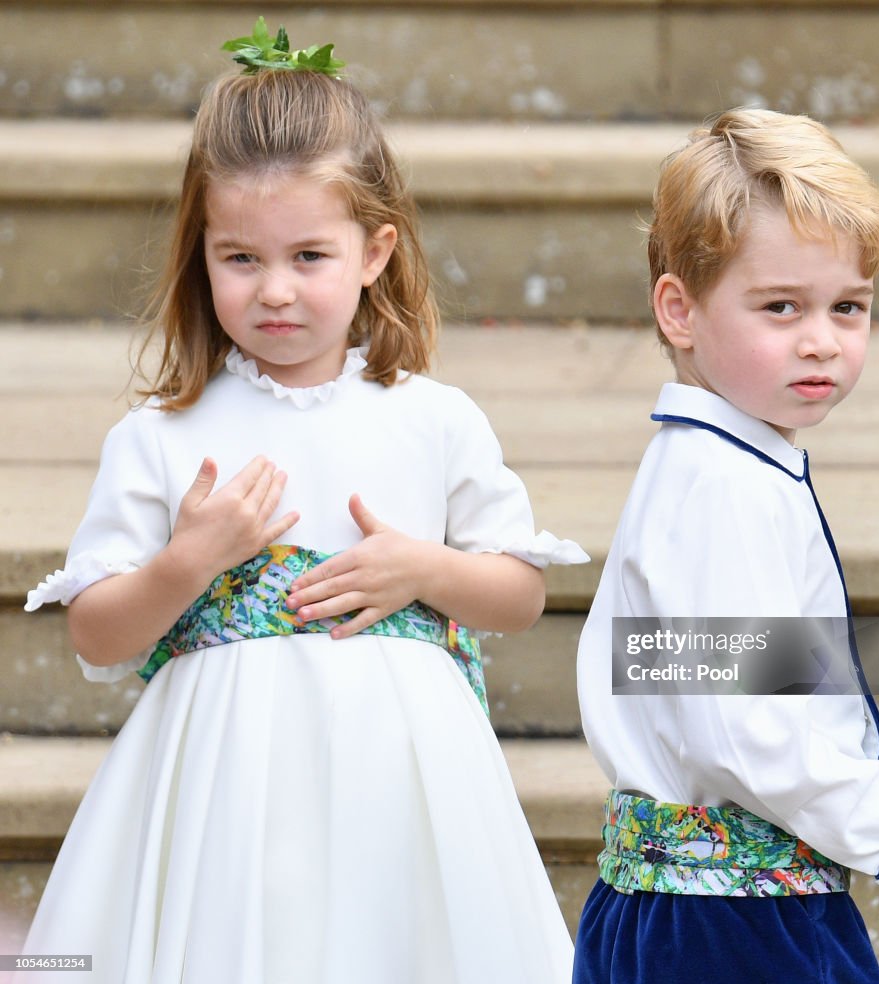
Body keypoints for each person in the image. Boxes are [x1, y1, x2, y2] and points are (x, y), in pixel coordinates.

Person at [22, 20, 585, 983]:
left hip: (401, 795)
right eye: (240, 258)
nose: (274, 291)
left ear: (374, 251)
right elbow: (97, 636)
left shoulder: (433, 419)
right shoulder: (162, 438)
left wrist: (427, 570)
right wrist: (188, 561)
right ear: (201, 255)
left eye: (309, 258)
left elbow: (519, 597)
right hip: (224, 806)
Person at [574, 109, 879, 983]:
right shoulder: (722, 489)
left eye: (847, 307)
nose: (822, 339)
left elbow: (675, 676)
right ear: (680, 310)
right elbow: (749, 728)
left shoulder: (711, 469)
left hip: (692, 910)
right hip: (736, 927)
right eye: (781, 307)